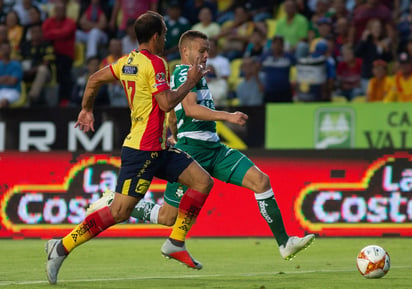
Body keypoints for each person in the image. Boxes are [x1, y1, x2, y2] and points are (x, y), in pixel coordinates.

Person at [88, 30, 315, 270]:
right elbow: (192, 109)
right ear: (185, 51)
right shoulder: (183, 73)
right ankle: (114, 200)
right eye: (201, 50)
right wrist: (228, 116)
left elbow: (174, 115)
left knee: (261, 181)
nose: (206, 55)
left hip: (213, 148)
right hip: (193, 151)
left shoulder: (198, 75)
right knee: (168, 218)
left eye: (208, 50)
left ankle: (285, 242)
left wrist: (174, 132)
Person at [45, 11, 213, 285]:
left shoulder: (127, 61)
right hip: (142, 152)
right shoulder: (156, 62)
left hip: (158, 147)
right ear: (156, 36)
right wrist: (190, 81)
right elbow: (166, 103)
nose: (166, 38)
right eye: (165, 34)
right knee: (119, 212)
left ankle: (176, 242)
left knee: (202, 181)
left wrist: (87, 109)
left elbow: (94, 79)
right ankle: (61, 247)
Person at [42, 0, 76, 107]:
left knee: (64, 72)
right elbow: (44, 34)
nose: (60, 12)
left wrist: (52, 33)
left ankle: (63, 100)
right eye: (58, 10)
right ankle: (41, 101)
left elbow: (66, 32)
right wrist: (58, 33)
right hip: (50, 54)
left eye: (62, 10)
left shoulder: (70, 22)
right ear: (54, 11)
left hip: (65, 55)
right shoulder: (48, 21)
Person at [0, 41, 23, 108]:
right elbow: (10, 80)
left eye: (7, 48)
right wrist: (7, 78)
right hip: (0, 90)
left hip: (13, 91)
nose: (5, 51)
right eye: (3, 49)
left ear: (10, 50)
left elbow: (13, 81)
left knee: (4, 102)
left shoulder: (16, 64)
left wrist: (2, 79)